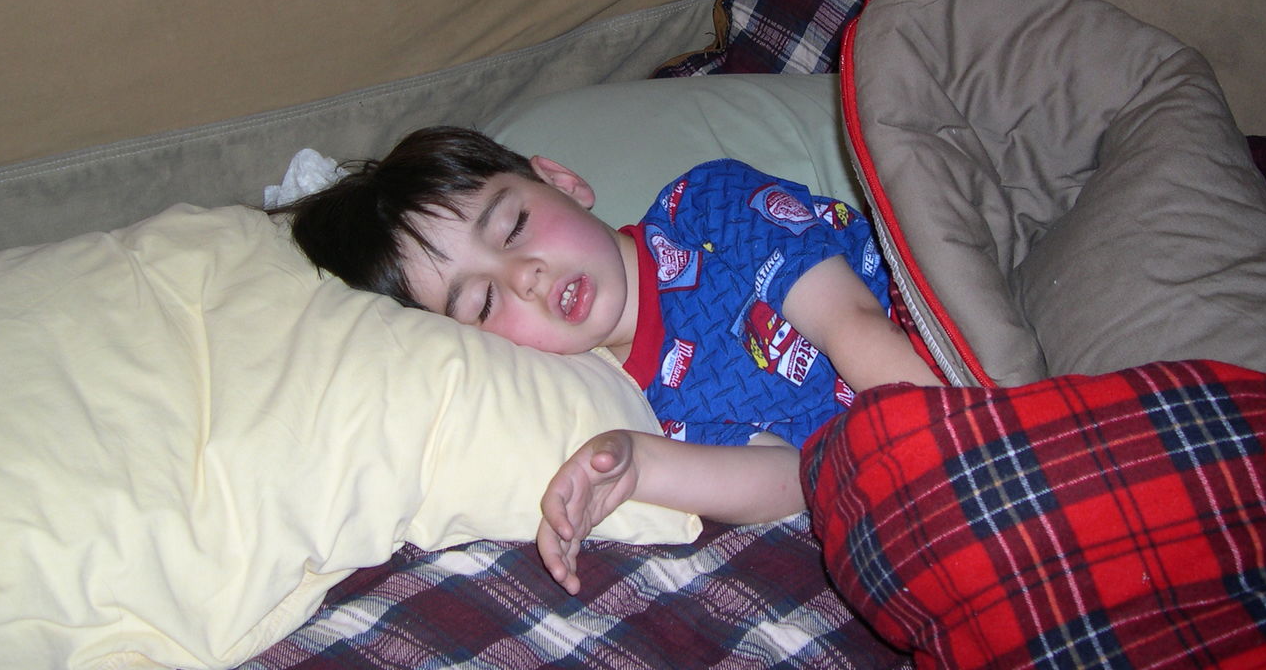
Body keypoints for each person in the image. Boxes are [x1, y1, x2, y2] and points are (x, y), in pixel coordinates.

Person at [277, 125, 941, 593]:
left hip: (943, 365)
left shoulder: (705, 210)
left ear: (560, 180)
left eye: (512, 228)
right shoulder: (638, 398)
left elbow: (849, 325)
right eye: (482, 302)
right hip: (893, 480)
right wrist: (642, 462)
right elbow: (796, 480)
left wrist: (962, 450)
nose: (526, 276)